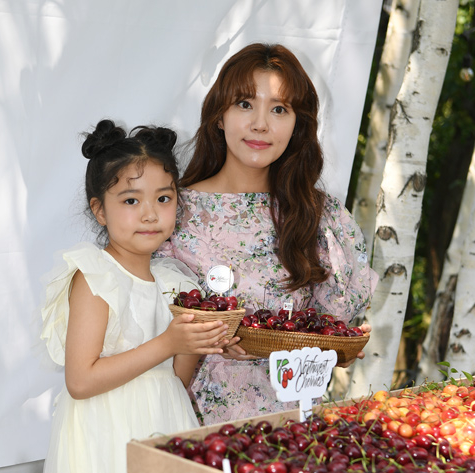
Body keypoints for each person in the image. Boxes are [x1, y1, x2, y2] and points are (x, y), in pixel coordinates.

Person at [31, 120, 229, 473]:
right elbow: (81, 378)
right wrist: (167, 343)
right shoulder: (95, 276)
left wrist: (201, 340)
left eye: (164, 198)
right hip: (104, 432)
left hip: (163, 422)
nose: (149, 214)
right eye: (130, 200)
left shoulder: (176, 281)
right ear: (99, 210)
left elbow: (176, 377)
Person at [156, 43, 378, 425]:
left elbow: (335, 334)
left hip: (287, 433)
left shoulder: (320, 217)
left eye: (279, 109)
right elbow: (137, 326)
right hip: (185, 427)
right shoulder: (172, 211)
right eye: (245, 104)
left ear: (297, 125)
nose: (261, 124)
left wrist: (336, 348)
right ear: (219, 116)